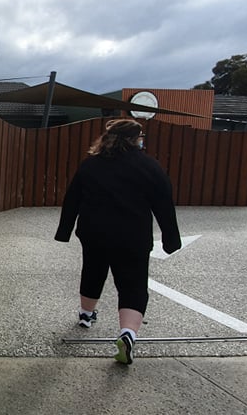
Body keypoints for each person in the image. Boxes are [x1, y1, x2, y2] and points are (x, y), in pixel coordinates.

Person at [54, 118, 181, 365]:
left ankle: (86, 314)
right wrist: (170, 239)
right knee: (132, 284)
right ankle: (127, 333)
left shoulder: (91, 165)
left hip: (94, 232)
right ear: (136, 139)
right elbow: (164, 203)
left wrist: (64, 230)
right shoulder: (149, 166)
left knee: (93, 271)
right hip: (133, 235)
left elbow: (73, 198)